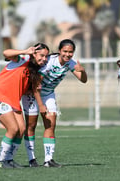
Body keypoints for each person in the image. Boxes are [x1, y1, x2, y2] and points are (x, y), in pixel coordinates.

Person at [22, 39, 88, 167]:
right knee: (31, 125)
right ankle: (32, 159)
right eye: (65, 51)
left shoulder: (70, 63)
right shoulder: (50, 62)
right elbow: (36, 84)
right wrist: (41, 105)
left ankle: (48, 160)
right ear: (59, 51)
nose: (68, 54)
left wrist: (83, 70)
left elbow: (83, 80)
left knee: (50, 123)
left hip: (48, 93)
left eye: (70, 52)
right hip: (32, 93)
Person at [0, 43, 49, 168]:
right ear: (34, 53)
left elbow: (23, 86)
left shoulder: (34, 70)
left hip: (13, 101)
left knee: (21, 130)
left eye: (46, 56)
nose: (44, 59)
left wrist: (34, 88)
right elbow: (6, 53)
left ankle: (9, 160)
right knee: (13, 129)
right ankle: (1, 161)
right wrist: (25, 51)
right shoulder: (22, 60)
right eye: (41, 55)